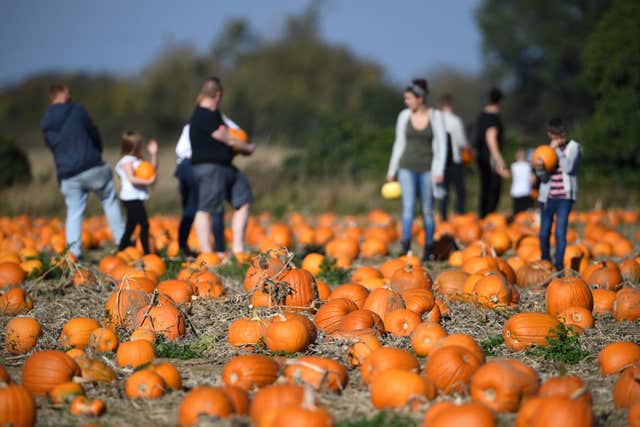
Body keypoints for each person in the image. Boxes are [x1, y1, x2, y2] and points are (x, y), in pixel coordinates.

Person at [40, 83, 125, 258]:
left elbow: (52, 146)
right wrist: (98, 150)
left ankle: (73, 253)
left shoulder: (46, 122)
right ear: (62, 92)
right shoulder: (76, 111)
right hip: (90, 165)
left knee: (74, 212)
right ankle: (122, 242)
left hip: (67, 174)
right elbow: (93, 132)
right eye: (67, 90)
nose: (69, 93)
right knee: (109, 199)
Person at [189, 77, 255, 257]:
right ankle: (207, 254)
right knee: (206, 209)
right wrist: (248, 147)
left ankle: (238, 249)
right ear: (218, 95)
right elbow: (227, 138)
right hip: (210, 168)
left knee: (244, 200)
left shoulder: (215, 114)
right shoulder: (203, 114)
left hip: (226, 167)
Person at [386, 79, 447, 261]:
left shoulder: (436, 116)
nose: (407, 102)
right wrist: (392, 169)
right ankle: (405, 247)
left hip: (428, 168)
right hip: (406, 167)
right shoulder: (404, 116)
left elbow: (442, 146)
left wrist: (439, 171)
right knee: (408, 208)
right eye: (406, 99)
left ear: (420, 99)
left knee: (427, 210)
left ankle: (429, 248)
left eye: (409, 98)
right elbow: (399, 143)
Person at [174, 115, 246, 257]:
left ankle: (189, 248)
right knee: (207, 207)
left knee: (200, 208)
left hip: (194, 167)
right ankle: (214, 249)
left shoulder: (207, 124)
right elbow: (182, 151)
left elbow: (238, 132)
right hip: (195, 167)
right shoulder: (200, 127)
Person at [534, 118, 582, 272]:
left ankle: (559, 265)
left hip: (564, 198)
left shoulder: (574, 147)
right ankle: (545, 262)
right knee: (543, 232)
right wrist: (540, 168)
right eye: (556, 137)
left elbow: (568, 168)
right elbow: (542, 177)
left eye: (562, 136)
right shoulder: (544, 150)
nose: (560, 140)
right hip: (547, 198)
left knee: (560, 232)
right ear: (550, 135)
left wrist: (555, 152)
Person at [114, 131, 157, 254]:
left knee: (131, 226)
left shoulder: (137, 159)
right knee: (144, 224)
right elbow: (131, 178)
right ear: (132, 146)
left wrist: (154, 154)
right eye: (139, 144)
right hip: (130, 198)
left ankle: (121, 249)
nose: (141, 146)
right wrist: (148, 182)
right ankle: (147, 253)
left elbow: (151, 170)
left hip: (136, 197)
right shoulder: (127, 161)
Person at [474, 88, 509, 218]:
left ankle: (483, 216)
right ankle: (489, 216)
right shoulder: (493, 118)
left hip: (481, 156)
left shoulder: (481, 115)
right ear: (500, 101)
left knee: (485, 187)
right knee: (494, 188)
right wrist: (498, 159)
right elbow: (491, 137)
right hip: (490, 157)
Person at [437, 94, 469, 220]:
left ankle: (443, 216)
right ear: (451, 105)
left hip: (441, 162)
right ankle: (459, 214)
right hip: (455, 160)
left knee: (444, 191)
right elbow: (462, 142)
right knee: (460, 190)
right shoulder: (456, 120)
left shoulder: (436, 120)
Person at [510, 148, 534, 217]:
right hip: (526, 191)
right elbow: (532, 179)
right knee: (526, 213)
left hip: (516, 192)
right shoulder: (528, 166)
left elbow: (509, 175)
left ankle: (516, 225)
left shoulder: (513, 166)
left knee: (517, 212)